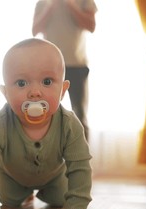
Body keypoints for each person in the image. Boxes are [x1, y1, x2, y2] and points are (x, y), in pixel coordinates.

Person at [0, 38, 97, 209]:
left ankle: (48, 192)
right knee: (10, 202)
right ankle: (24, 193)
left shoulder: (69, 124)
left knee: (60, 200)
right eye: (21, 83)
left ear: (63, 90)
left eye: (47, 81)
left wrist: (76, 205)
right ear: (6, 93)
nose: (35, 92)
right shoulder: (0, 122)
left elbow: (80, 165)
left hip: (54, 177)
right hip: (13, 178)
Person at [32, 0, 97, 140]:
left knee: (80, 116)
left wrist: (71, 5)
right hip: (49, 68)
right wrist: (52, 6)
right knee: (44, 115)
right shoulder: (43, 2)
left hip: (77, 66)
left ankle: (82, 161)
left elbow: (91, 26)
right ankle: (45, 159)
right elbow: (35, 29)